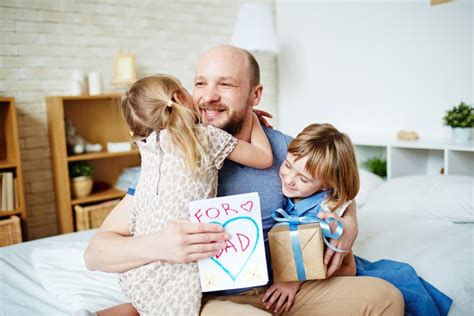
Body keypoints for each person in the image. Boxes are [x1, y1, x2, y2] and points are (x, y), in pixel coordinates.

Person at [84, 45, 404, 315]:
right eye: (200, 84)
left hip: (279, 290)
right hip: (204, 297)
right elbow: (96, 253)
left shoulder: (287, 153)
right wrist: (160, 244)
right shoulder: (174, 158)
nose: (209, 97)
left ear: (255, 94)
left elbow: (334, 189)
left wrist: (350, 220)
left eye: (225, 84)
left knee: (385, 298)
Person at [115, 74, 274, 315]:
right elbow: (263, 158)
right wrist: (251, 116)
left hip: (136, 277)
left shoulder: (148, 148)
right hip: (178, 280)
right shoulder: (205, 137)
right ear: (179, 97)